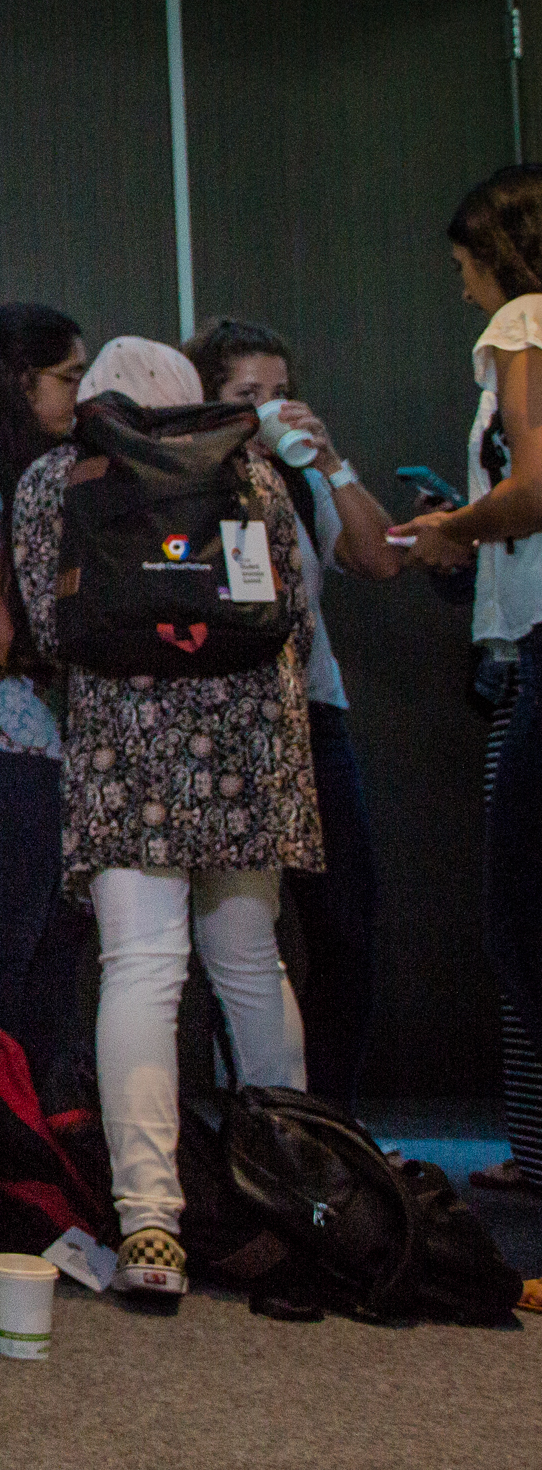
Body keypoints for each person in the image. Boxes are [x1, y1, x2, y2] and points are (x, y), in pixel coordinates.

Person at [13, 337, 315, 1303]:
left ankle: (151, 1228)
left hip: (124, 742)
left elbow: (48, 626)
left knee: (141, 967)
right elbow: (291, 614)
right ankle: (298, 1201)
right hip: (247, 735)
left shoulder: (58, 476)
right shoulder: (251, 469)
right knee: (250, 965)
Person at [188, 318, 401, 1109]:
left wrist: (329, 459)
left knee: (345, 923)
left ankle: (330, 1121)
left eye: (281, 393)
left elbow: (381, 556)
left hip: (316, 716)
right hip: (235, 728)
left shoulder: (301, 479)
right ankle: (260, 1128)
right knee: (239, 939)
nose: (270, 407)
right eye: (249, 394)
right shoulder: (194, 478)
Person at [393, 164, 542, 1194]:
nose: (460, 289)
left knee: (519, 916)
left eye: (463, 264)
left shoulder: (521, 323)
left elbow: (533, 487)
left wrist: (453, 526)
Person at [0, 304, 94, 1106]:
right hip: (13, 741)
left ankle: (18, 1171)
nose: (80, 394)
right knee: (19, 968)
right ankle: (25, 1166)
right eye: (68, 376)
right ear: (19, 378)